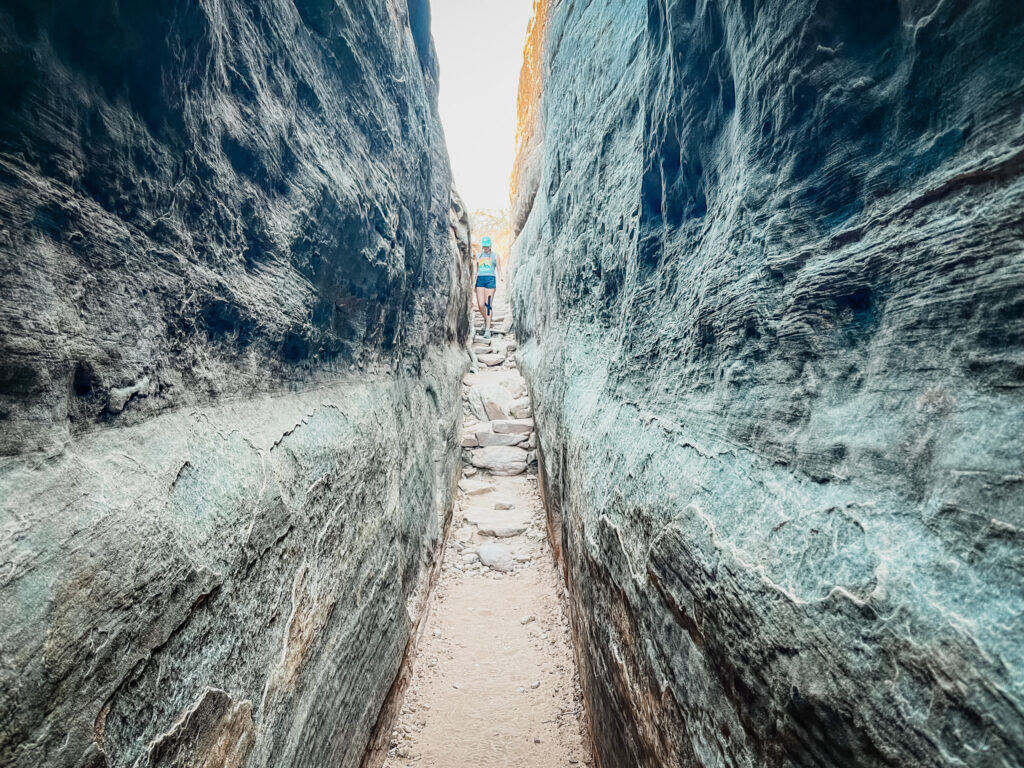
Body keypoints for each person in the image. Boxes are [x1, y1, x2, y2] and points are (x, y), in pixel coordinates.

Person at [474, 236, 502, 338]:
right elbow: (476, 271)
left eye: (487, 246)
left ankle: (488, 329)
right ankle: (486, 320)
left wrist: (501, 277)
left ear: (490, 246)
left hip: (490, 280)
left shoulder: (495, 256)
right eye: (484, 246)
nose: (485, 248)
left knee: (488, 304)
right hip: (480, 280)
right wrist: (474, 282)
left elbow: (498, 268)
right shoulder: (478, 255)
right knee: (481, 304)